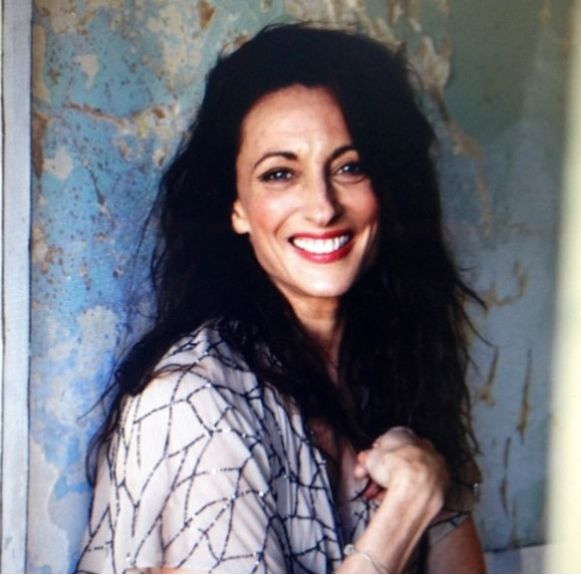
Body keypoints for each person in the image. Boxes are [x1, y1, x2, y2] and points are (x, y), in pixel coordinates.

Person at [78, 23, 486, 574]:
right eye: (279, 174)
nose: (322, 207)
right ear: (237, 207)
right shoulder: (195, 402)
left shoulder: (393, 369)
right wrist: (409, 507)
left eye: (349, 167)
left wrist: (434, 482)